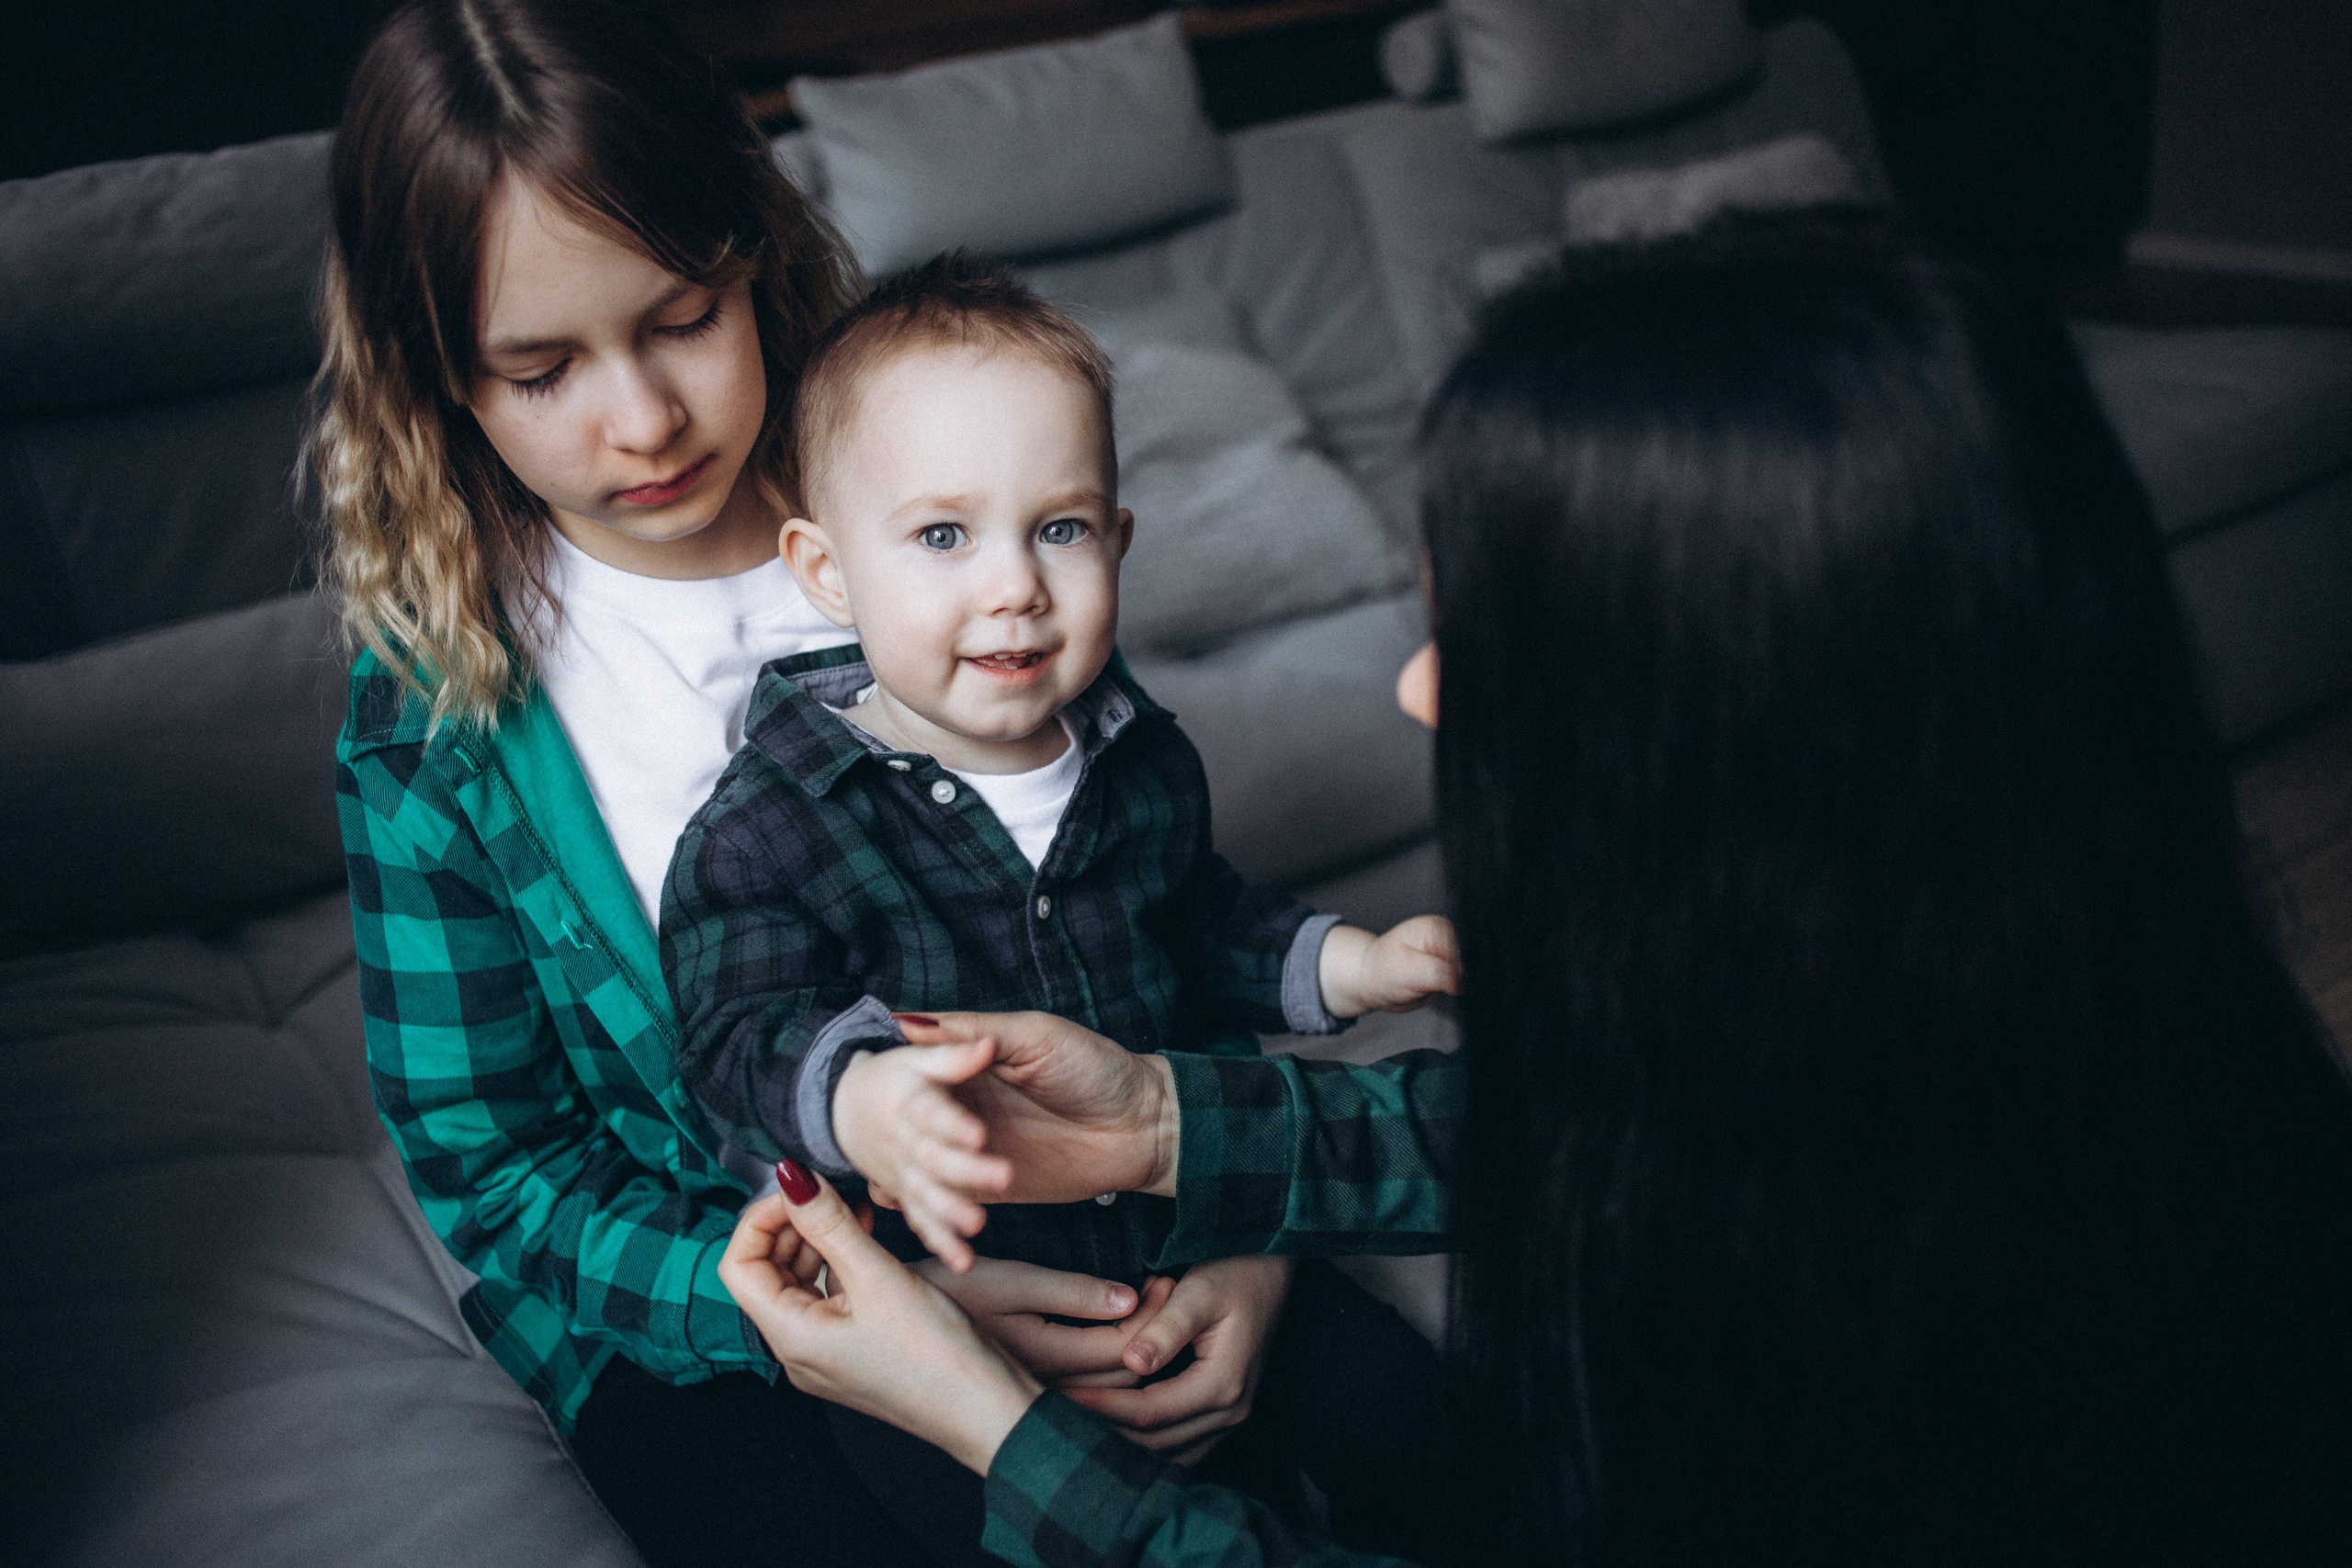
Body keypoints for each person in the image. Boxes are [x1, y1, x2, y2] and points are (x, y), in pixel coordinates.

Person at [719, 215, 2352, 1566]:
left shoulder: (1893, 1372)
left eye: (1492, 642)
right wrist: (1160, 1123)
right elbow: (1586, 1133)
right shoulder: (2038, 1043)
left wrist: (982, 1421)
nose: (1420, 692)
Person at [320, 5, 1309, 1564]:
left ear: (757, 255)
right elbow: (500, 1169)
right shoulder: (433, 719)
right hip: (707, 1295)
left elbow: (1153, 900)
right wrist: (836, 1309)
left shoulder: (935, 499)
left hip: (1096, 1210)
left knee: (1393, 1435)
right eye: (541, 368)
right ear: (437, 377)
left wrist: (1249, 1223)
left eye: (679, 318)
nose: (640, 420)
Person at [658, 253, 1456, 1564]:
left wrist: (1353, 964)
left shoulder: (1138, 757)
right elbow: (735, 1032)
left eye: (1062, 528)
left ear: (1119, 541)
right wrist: (861, 1100)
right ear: (826, 570)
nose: (1016, 584)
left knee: (1418, 1420)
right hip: (972, 1304)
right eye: (942, 537)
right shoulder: (774, 820)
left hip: (1198, 1223)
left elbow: (1201, 925)